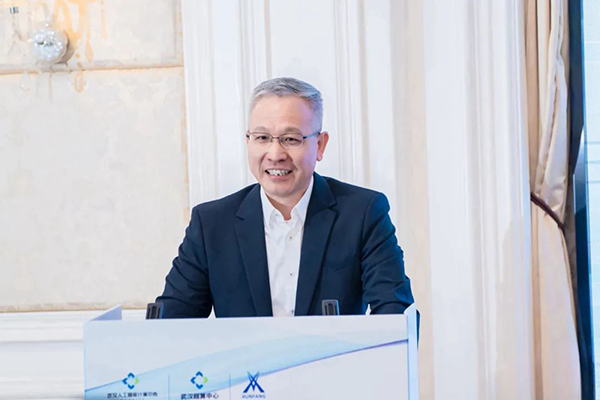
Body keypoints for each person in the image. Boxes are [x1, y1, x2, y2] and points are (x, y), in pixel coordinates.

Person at [157, 77, 414, 318]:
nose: (275, 154)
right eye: (262, 138)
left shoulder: (363, 213)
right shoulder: (211, 224)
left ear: (320, 145)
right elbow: (171, 325)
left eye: (291, 139)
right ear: (248, 141)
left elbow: (395, 313)